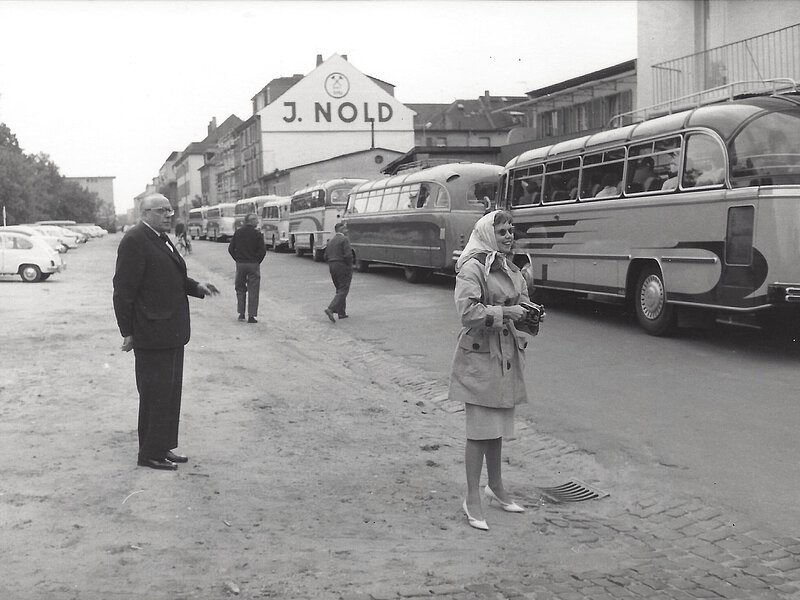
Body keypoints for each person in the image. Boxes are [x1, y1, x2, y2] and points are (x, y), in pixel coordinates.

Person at [113, 193, 219, 471]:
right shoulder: (135, 240)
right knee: (154, 395)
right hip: (151, 333)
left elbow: (172, 277)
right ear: (145, 212)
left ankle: (163, 447)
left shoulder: (160, 237)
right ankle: (148, 454)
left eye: (170, 210)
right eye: (162, 211)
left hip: (171, 331)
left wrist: (196, 287)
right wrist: (128, 331)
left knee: (170, 394)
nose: (168, 215)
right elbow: (123, 292)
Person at [448, 210, 532, 531]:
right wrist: (506, 311)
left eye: (512, 230)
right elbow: (467, 311)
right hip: (479, 358)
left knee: (496, 428)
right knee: (479, 431)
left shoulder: (510, 267)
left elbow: (522, 303)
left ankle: (495, 487)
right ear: (487, 233)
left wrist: (531, 316)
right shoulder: (472, 267)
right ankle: (472, 497)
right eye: (502, 231)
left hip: (505, 356)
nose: (510, 236)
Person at [227, 213, 266, 323]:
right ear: (251, 221)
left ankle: (241, 313)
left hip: (240, 264)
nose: (257, 222)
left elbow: (231, 249)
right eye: (256, 220)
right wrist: (257, 261)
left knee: (240, 288)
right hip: (253, 264)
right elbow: (262, 251)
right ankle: (252, 316)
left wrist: (237, 259)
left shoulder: (238, 232)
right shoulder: (257, 234)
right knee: (253, 290)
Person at [323, 221, 353, 322]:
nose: (347, 230)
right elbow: (348, 255)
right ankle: (330, 309)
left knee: (339, 289)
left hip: (332, 266)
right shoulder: (345, 239)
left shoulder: (330, 241)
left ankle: (341, 312)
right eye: (345, 228)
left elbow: (325, 256)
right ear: (340, 230)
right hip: (342, 266)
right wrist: (349, 266)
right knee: (344, 289)